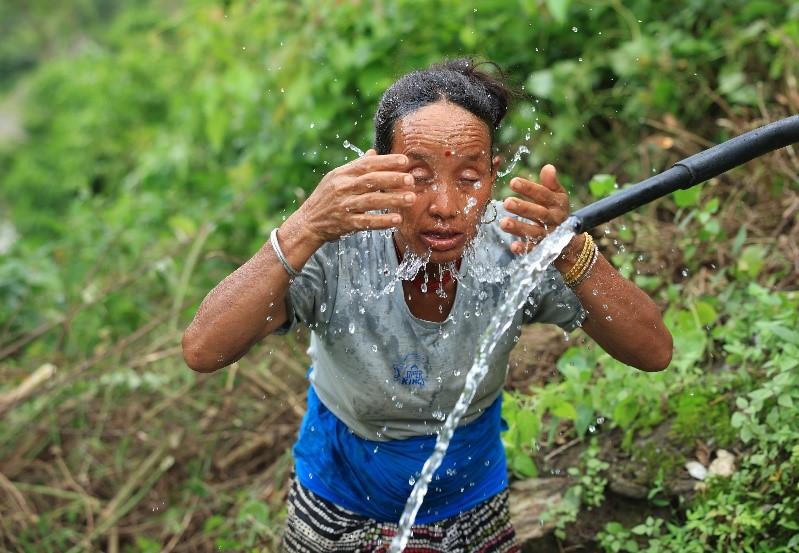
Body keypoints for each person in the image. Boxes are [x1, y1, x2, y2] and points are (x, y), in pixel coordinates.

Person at [182, 58, 673, 552]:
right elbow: (203, 350)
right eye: (419, 176)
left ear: (493, 176)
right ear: (379, 171)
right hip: (338, 495)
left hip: (470, 496)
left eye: (468, 178)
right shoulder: (338, 248)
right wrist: (303, 227)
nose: (444, 205)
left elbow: (653, 351)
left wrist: (570, 249)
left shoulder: (515, 246)